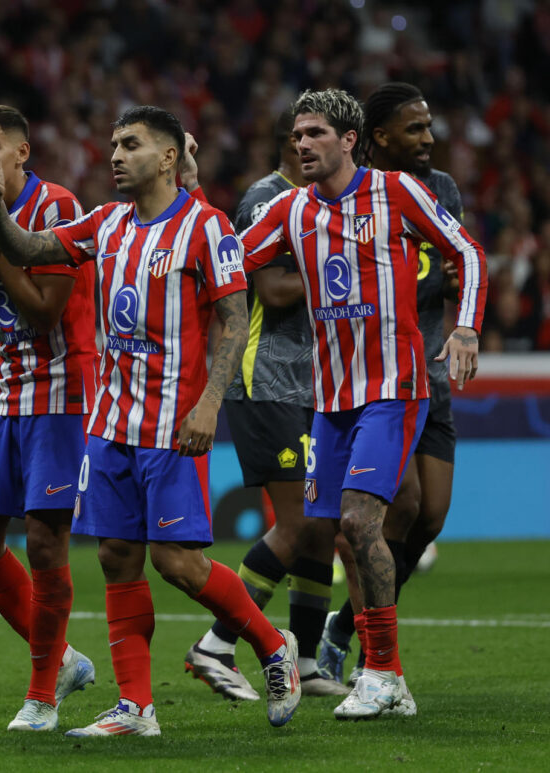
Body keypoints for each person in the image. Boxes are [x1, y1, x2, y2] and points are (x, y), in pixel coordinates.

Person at [0, 105, 303, 735]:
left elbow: (234, 319)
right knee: (118, 557)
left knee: (177, 563)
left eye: (132, 144)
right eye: (113, 144)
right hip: (109, 423)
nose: (116, 155)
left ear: (170, 157)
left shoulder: (205, 228)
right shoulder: (107, 223)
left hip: (173, 424)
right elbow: (30, 246)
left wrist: (209, 404)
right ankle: (136, 707)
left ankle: (270, 641)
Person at [240, 88, 486, 720]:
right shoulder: (290, 209)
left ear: (350, 140)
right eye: (296, 135)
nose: (302, 144)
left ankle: (375, 670)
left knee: (358, 521)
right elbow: (229, 259)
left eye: (315, 133)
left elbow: (468, 253)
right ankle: (390, 677)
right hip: (330, 399)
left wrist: (465, 327)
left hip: (393, 389)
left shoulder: (396, 193)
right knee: (339, 533)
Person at [185, 109, 348, 701]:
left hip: (311, 384)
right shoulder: (267, 198)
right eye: (302, 138)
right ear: (289, 143)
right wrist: (345, 268)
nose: (310, 147)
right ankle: (218, 642)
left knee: (321, 524)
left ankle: (304, 660)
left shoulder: (318, 203)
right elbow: (274, 288)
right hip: (263, 377)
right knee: (299, 520)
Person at [0, 104, 97, 733]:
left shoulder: (56, 205)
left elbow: (43, 312)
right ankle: (62, 658)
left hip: (62, 389)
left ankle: (42, 693)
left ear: (20, 153)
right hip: (5, 388)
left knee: (43, 540)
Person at [319, 82, 467, 687]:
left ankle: (346, 629)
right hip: (379, 378)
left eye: (429, 127)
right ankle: (377, 663)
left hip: (433, 372)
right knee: (387, 510)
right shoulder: (344, 199)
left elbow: (454, 265)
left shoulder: (441, 191)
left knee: (429, 517)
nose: (428, 139)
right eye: (415, 129)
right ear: (378, 137)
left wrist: (461, 309)